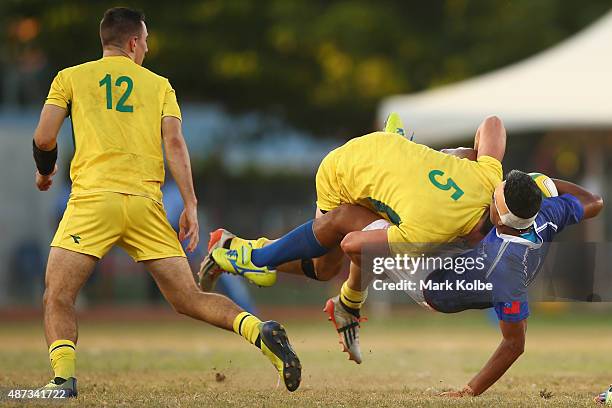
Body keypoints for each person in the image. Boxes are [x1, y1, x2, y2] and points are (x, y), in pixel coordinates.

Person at [32, 7, 300, 396]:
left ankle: (62, 381)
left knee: (57, 295)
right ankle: (261, 330)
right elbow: (174, 143)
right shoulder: (159, 85)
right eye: (146, 41)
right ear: (133, 42)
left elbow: (44, 138)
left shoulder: (70, 77)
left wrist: (45, 171)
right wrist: (190, 203)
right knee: (189, 297)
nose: (147, 49)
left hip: (93, 201)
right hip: (145, 204)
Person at [339, 172, 603, 396]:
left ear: (499, 218)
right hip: (459, 257)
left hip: (431, 284)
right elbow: (594, 201)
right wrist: (549, 184)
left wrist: (470, 390)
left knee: (352, 226)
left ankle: (349, 304)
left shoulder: (506, 268)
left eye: (493, 198)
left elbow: (514, 344)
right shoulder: (546, 212)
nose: (490, 196)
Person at [199, 114, 505, 292]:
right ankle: (249, 254)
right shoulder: (426, 234)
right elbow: (353, 243)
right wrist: (388, 268)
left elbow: (492, 122)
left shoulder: (490, 180)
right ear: (478, 236)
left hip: (383, 150)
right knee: (326, 266)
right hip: (341, 171)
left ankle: (394, 136)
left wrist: (471, 154)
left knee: (383, 223)